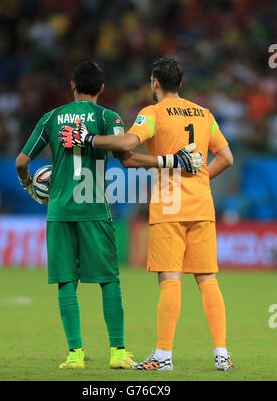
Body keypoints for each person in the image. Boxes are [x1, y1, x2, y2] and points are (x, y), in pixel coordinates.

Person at [15, 60, 203, 370]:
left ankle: (75, 355)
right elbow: (127, 158)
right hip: (94, 208)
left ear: (72, 86)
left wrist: (30, 189)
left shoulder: (51, 118)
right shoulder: (108, 117)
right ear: (102, 89)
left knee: (65, 282)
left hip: (59, 211)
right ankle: (117, 352)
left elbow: (22, 161)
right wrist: (172, 161)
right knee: (109, 282)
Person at [59, 57, 234, 372]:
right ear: (179, 84)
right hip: (203, 206)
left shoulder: (153, 113)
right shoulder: (205, 114)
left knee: (170, 280)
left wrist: (88, 139)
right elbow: (227, 156)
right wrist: (200, 177)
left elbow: (127, 146)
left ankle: (163, 356)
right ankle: (222, 354)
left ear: (154, 83)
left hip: (169, 207)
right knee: (208, 279)